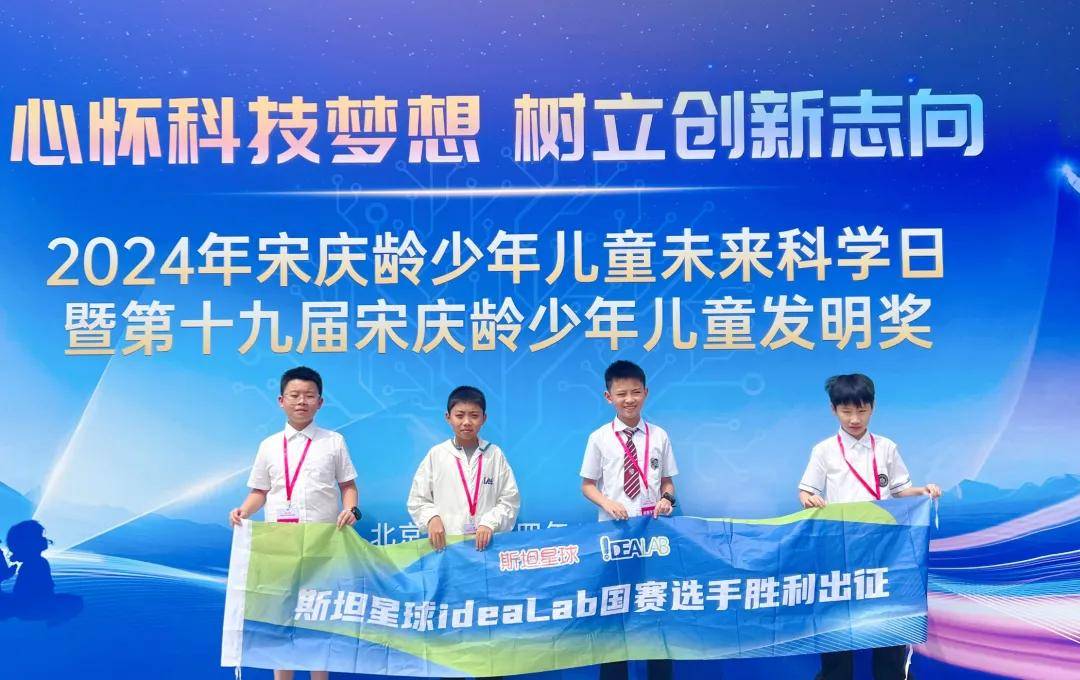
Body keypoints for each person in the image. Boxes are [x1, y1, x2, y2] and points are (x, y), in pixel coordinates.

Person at [798, 373, 942, 680]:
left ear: (872, 408)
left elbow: (900, 490)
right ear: (833, 410)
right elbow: (805, 491)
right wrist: (809, 499)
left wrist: (923, 491)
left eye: (862, 411)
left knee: (888, 621)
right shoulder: (824, 450)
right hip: (840, 549)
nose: (854, 419)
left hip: (884, 549)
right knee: (837, 623)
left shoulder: (886, 447)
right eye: (846, 411)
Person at [229, 366, 360, 680]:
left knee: (319, 619)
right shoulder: (269, 445)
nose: (302, 401)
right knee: (281, 619)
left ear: (320, 402)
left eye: (309, 395)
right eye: (295, 395)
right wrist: (244, 511)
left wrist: (351, 510)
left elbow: (348, 486)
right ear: (281, 400)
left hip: (323, 543)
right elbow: (259, 492)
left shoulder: (334, 441)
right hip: (280, 545)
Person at [580, 360, 678, 680]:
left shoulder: (659, 436)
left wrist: (667, 500)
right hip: (614, 538)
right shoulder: (599, 438)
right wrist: (608, 503)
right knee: (615, 614)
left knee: (655, 610)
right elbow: (587, 486)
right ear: (608, 397)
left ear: (646, 393)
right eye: (621, 394)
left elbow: (668, 482)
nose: (629, 399)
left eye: (635, 392)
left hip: (652, 536)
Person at [407, 385, 520, 554]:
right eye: (459, 415)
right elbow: (418, 499)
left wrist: (490, 523)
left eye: (474, 415)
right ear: (448, 417)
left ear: (484, 418)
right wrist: (431, 518)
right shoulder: (437, 455)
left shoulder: (494, 455)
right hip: (447, 549)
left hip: (487, 549)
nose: (467, 422)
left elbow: (510, 500)